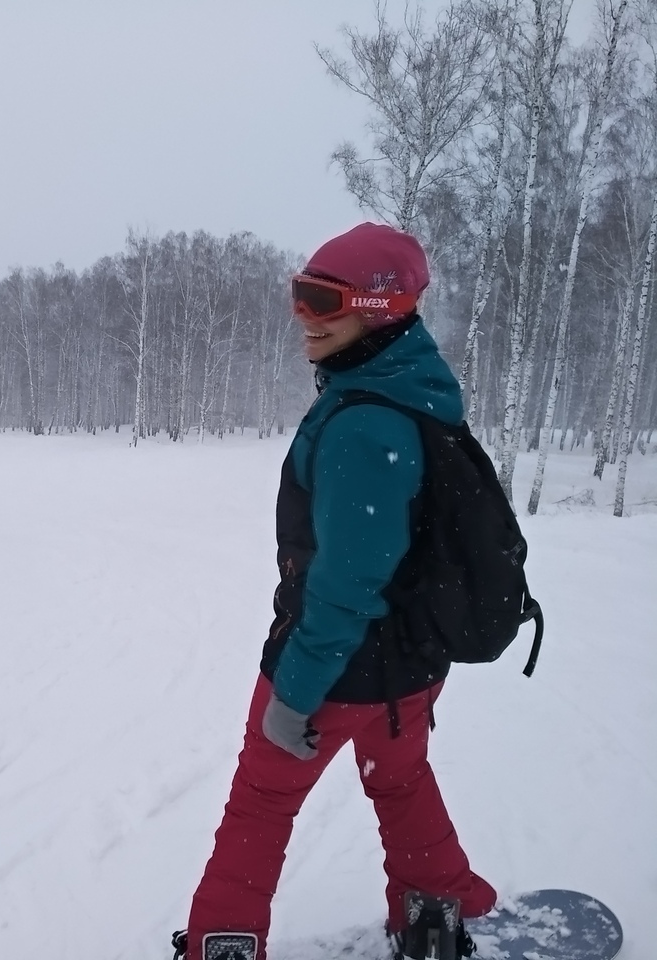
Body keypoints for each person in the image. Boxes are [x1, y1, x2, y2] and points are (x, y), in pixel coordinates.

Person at [180, 223, 495, 960]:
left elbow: (349, 583)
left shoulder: (366, 424)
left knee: (261, 803)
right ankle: (434, 911)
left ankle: (220, 947)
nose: (304, 317)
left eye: (322, 300)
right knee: (402, 780)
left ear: (380, 307)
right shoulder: (415, 394)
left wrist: (295, 694)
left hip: (336, 667)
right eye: (298, 295)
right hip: (407, 668)